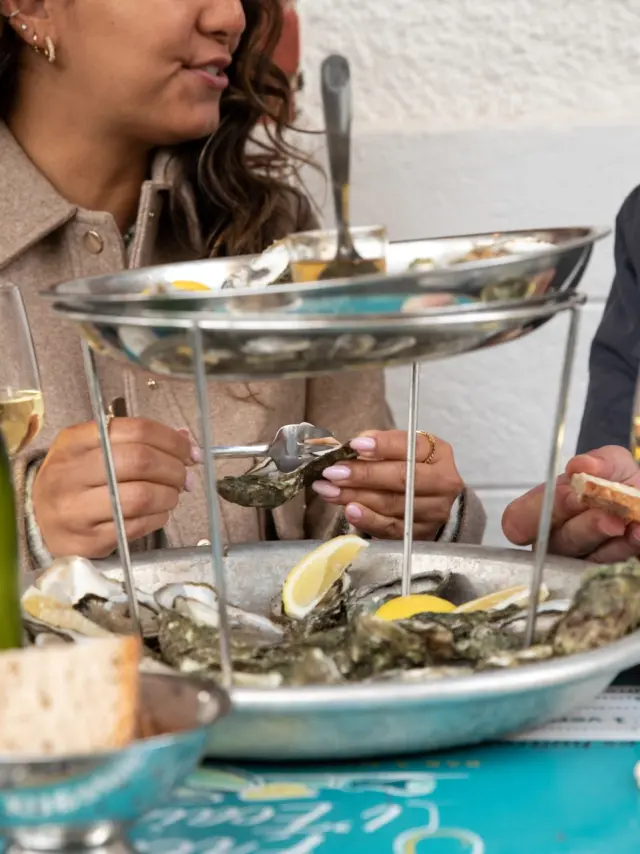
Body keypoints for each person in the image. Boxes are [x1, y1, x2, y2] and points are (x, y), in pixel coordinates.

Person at [0, 0, 486, 572]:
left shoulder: (278, 236)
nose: (230, 17)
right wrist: (28, 529)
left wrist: (415, 511)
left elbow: (354, 557)